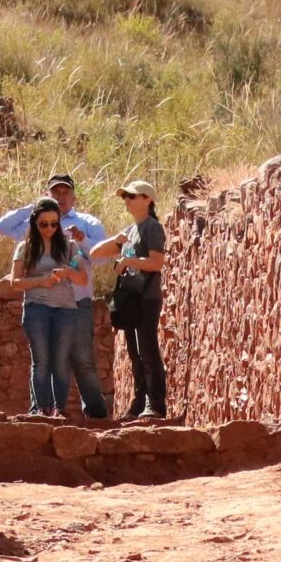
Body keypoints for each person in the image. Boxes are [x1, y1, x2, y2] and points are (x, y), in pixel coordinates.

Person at [0, 198, 91, 418]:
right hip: (37, 307)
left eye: (54, 224)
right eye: (43, 224)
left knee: (61, 361)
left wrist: (67, 273)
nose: (49, 229)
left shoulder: (70, 247)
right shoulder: (25, 248)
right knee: (41, 360)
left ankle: (60, 408)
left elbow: (82, 279)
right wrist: (40, 281)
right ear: (35, 223)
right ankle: (41, 408)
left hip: (66, 308)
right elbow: (14, 283)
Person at [89, 180, 168, 420]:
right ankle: (139, 403)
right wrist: (118, 239)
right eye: (125, 197)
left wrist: (128, 262)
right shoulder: (131, 231)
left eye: (132, 196)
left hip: (147, 297)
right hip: (131, 299)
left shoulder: (152, 228)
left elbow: (156, 262)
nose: (127, 200)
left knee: (148, 350)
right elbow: (95, 254)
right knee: (135, 353)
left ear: (148, 200)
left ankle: (156, 404)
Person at [45, 172, 111, 420]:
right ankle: (49, 412)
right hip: (47, 300)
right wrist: (34, 208)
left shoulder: (88, 222)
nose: (61, 197)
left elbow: (103, 257)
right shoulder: (39, 221)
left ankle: (96, 415)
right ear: (47, 195)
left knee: (83, 359)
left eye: (65, 193)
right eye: (55, 192)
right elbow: (4, 227)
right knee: (48, 360)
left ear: (74, 197)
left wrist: (82, 241)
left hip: (78, 300)